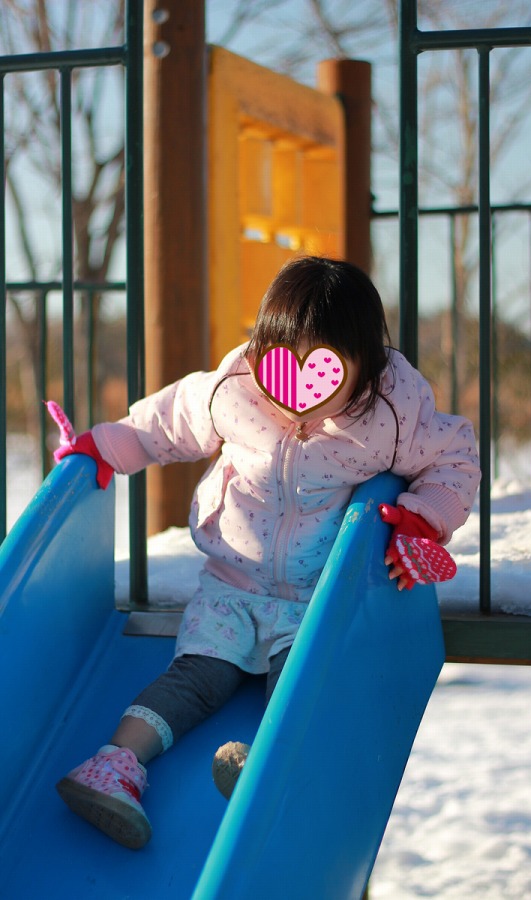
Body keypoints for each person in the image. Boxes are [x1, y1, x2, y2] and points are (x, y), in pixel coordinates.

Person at [52, 256, 480, 849]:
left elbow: (454, 459)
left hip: (314, 597)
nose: (298, 394)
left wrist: (423, 517)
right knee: (196, 677)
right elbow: (166, 424)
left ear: (366, 365)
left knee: (299, 682)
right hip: (232, 582)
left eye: (325, 370)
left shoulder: (393, 412)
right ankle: (115, 763)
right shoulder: (237, 390)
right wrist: (103, 448)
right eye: (281, 364)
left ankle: (264, 767)